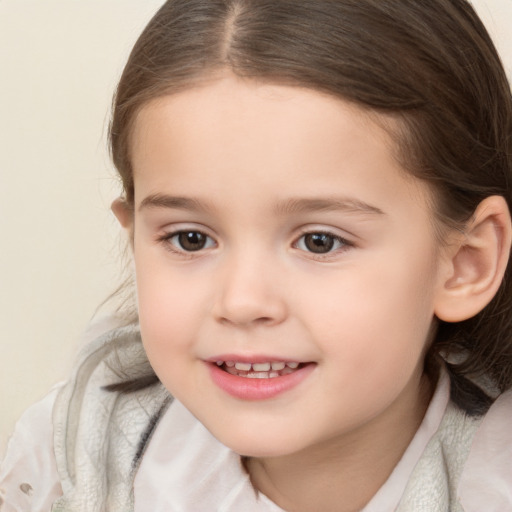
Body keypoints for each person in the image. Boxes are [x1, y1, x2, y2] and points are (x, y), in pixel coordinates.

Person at [1, 0, 512, 510]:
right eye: (190, 239)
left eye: (320, 241)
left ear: (467, 263)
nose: (243, 301)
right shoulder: (70, 458)